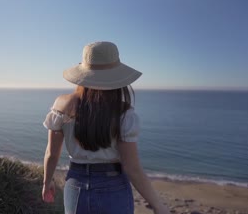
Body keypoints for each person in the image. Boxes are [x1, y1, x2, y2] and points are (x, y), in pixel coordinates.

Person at [42, 41, 170, 214]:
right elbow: (132, 168)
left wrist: (47, 181)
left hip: (75, 185)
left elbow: (52, 153)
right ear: (117, 77)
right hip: (113, 187)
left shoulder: (62, 106)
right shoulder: (124, 114)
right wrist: (158, 206)